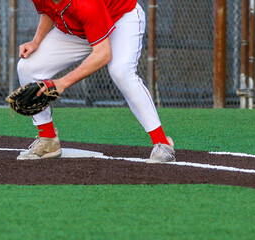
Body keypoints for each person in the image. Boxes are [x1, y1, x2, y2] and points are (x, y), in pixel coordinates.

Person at [16, 0, 175, 163]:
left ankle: (162, 143)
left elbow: (103, 54)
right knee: (28, 67)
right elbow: (49, 10)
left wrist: (63, 82)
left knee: (121, 72)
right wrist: (36, 41)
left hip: (120, 19)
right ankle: (48, 140)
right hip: (79, 28)